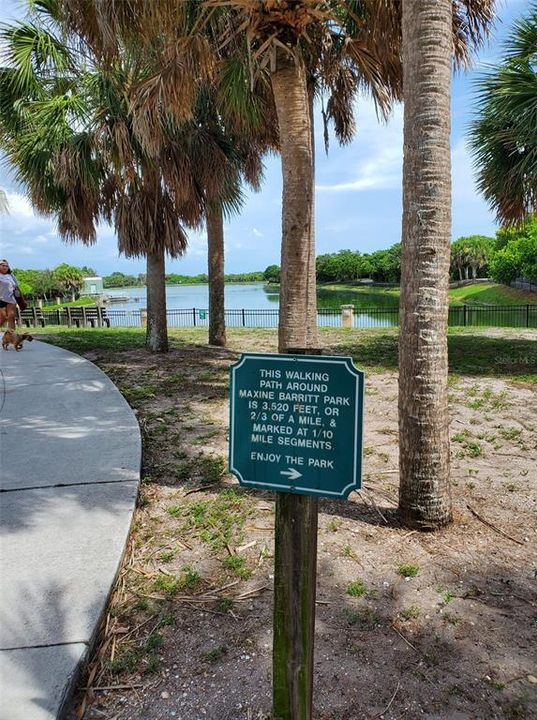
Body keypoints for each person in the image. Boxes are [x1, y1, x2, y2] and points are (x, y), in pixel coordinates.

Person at [0, 259, 21, 332]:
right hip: (1, 299)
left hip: (11, 299)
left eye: (6, 266)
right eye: (3, 265)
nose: (5, 267)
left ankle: (12, 336)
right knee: (3, 318)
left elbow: (16, 285)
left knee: (11, 317)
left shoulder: (10, 276)